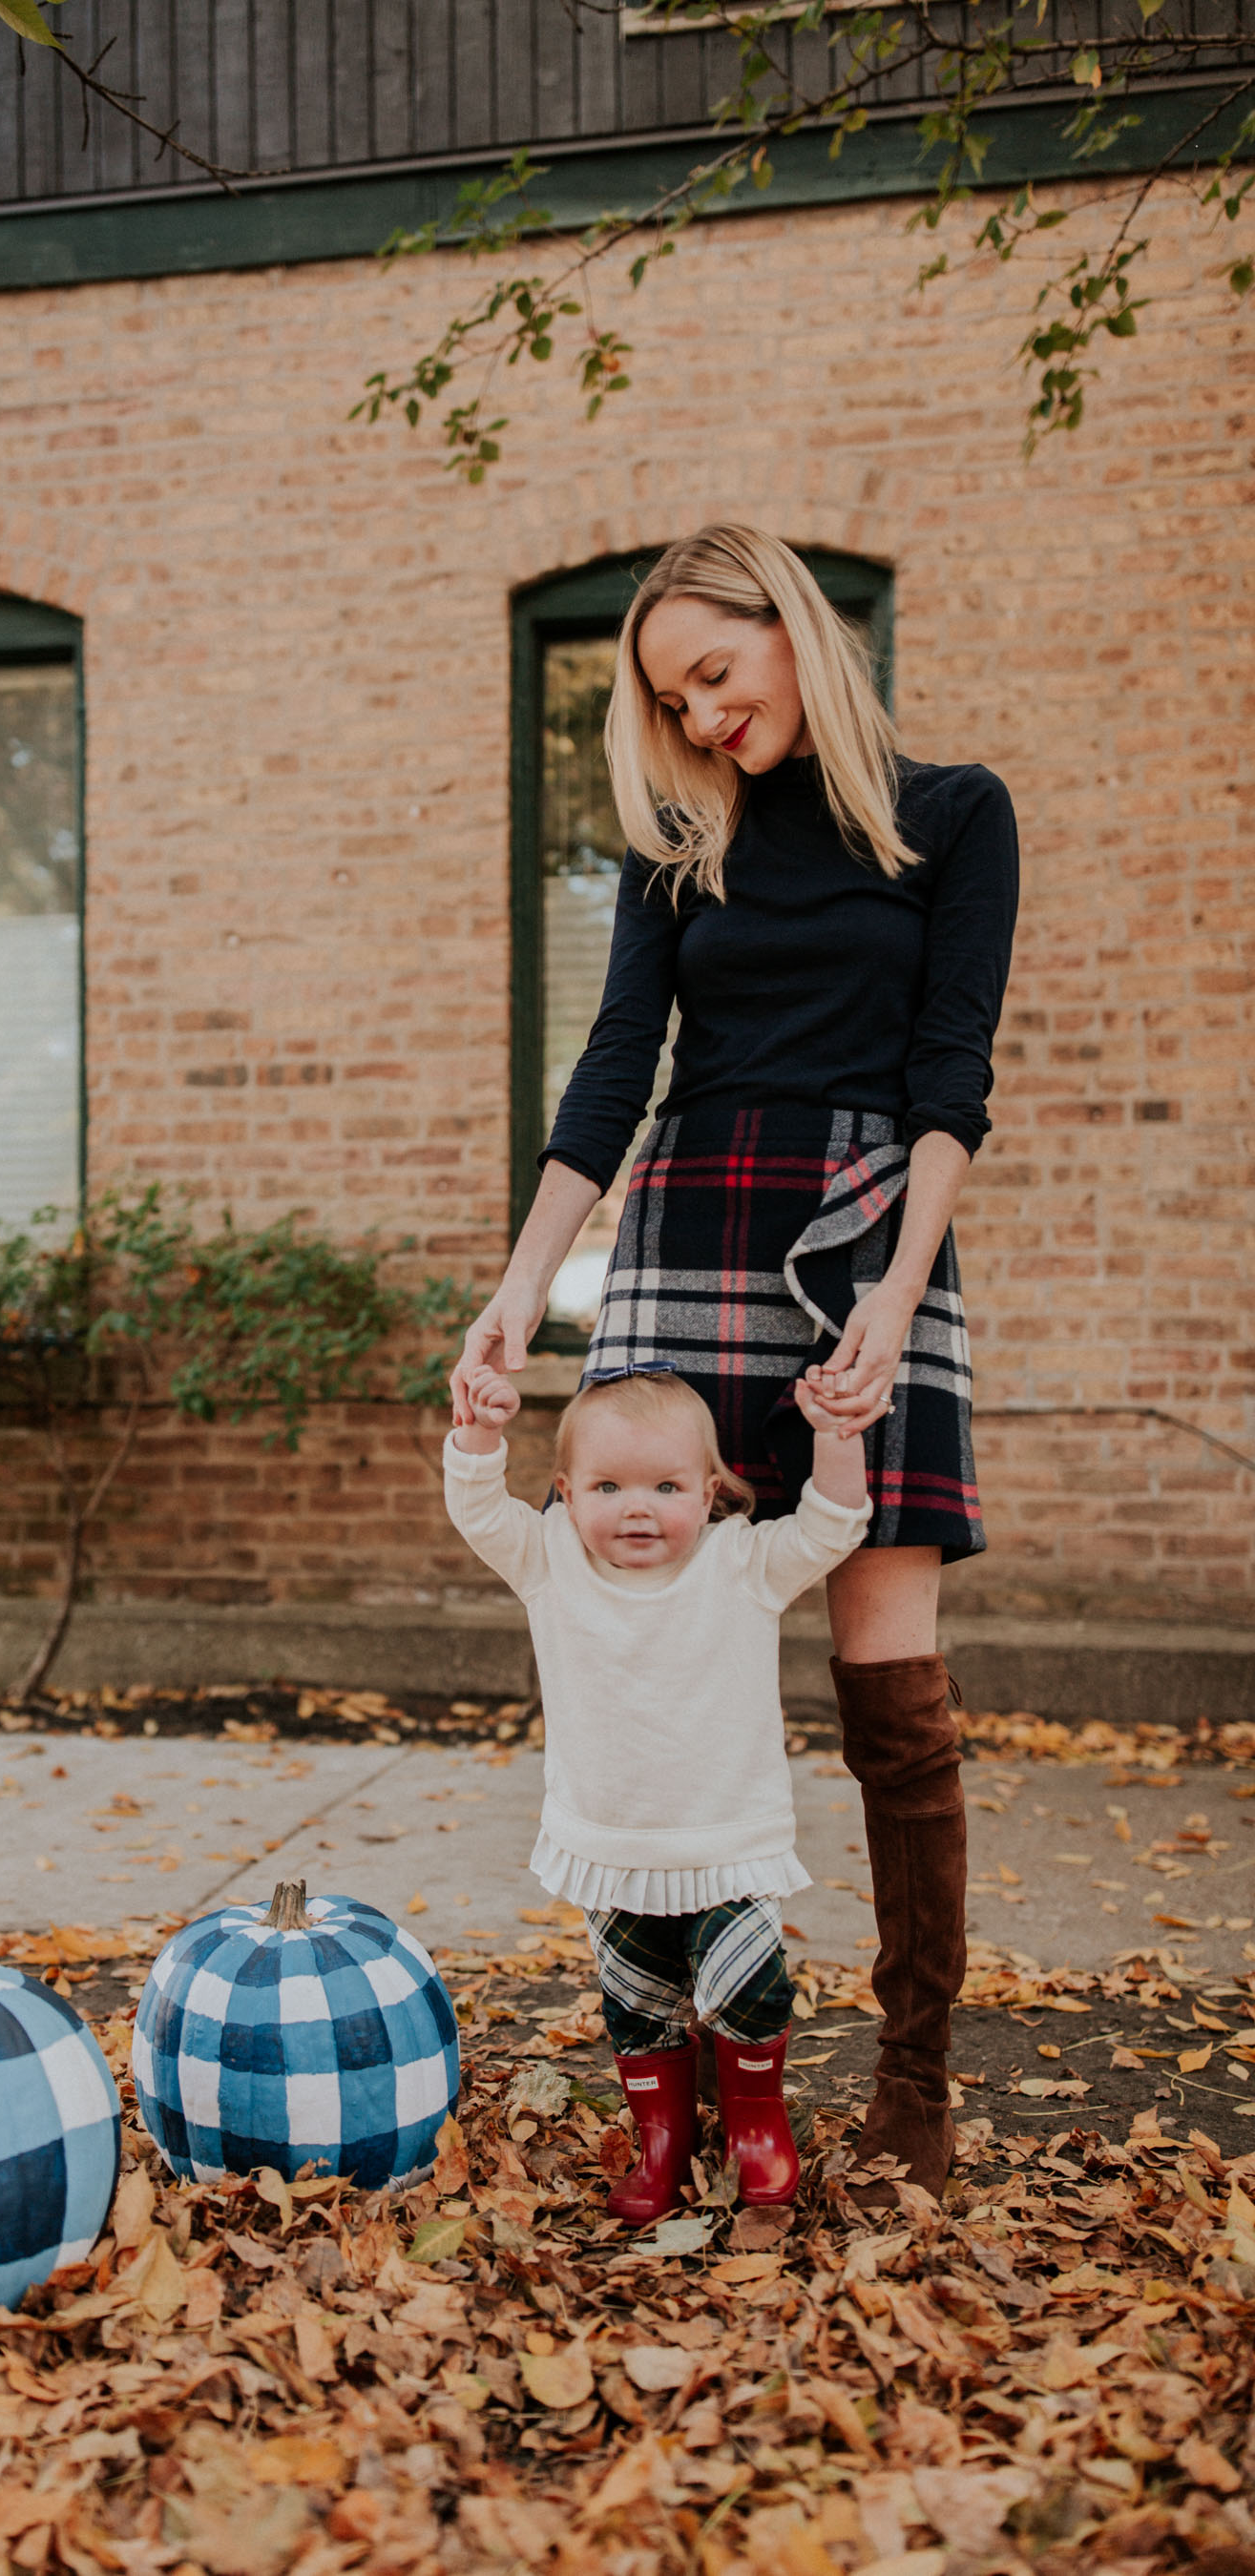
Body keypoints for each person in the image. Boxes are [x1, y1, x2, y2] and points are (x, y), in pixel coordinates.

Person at [451, 524, 1019, 2204]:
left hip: (867, 1236)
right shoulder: (679, 848)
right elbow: (616, 1066)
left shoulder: (957, 814)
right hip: (688, 1229)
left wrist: (898, 1299)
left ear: (795, 631)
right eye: (667, 697)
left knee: (887, 1691)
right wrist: (518, 1291)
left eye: (713, 672)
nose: (697, 717)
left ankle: (911, 2080)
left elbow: (950, 1074)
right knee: (645, 1638)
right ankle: (683, 2080)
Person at [446, 1363, 869, 2215]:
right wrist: (480, 1436)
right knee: (640, 2010)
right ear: (564, 1493)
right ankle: (663, 2145)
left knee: (751, 1992)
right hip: (611, 1846)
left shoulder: (740, 1563)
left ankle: (758, 2128)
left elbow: (831, 1528)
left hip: (726, 1845)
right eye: (607, 1485)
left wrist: (837, 1436)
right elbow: (479, 1510)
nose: (637, 1507)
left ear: (710, 1492)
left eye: (666, 1485)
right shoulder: (551, 1557)